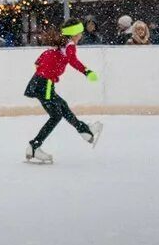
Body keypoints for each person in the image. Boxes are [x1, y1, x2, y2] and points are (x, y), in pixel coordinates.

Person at [24, 18, 103, 164]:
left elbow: (39, 62)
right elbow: (73, 61)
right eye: (80, 32)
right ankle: (35, 146)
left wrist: (46, 71)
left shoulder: (60, 45)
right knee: (57, 114)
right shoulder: (69, 45)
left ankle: (84, 131)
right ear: (75, 33)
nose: (81, 35)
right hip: (45, 84)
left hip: (39, 82)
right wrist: (87, 72)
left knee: (60, 110)